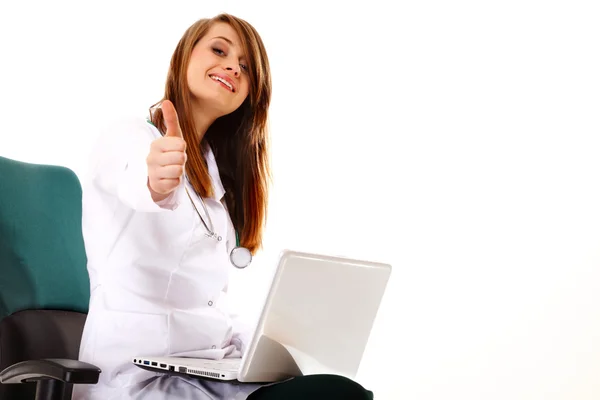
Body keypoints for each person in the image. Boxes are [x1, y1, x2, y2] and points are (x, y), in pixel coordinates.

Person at [72, 13, 373, 400]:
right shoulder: (130, 137)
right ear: (185, 56)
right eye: (219, 50)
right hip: (134, 375)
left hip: (207, 369)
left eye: (246, 67)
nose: (233, 66)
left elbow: (207, 304)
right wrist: (155, 180)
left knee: (342, 392)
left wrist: (264, 352)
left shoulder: (215, 181)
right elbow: (137, 178)